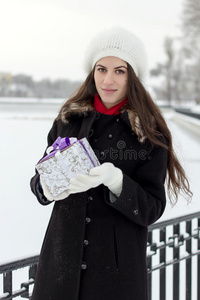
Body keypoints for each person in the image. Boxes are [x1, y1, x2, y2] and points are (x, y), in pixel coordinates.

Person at [30, 27, 192, 300]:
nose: (108, 79)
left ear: (133, 76)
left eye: (120, 71)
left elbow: (152, 208)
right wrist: (46, 186)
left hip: (116, 275)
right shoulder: (69, 120)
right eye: (101, 69)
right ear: (92, 72)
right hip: (59, 268)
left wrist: (118, 183)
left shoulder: (149, 133)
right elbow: (38, 178)